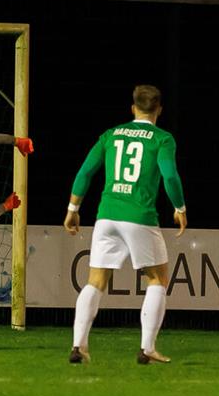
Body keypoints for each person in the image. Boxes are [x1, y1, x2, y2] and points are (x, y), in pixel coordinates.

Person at [63, 84, 187, 365]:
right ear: (159, 110)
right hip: (139, 216)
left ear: (133, 108)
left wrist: (73, 209)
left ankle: (78, 346)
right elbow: (170, 176)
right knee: (157, 279)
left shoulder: (111, 134)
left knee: (95, 281)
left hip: (106, 215)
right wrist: (180, 208)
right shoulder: (162, 139)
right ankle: (147, 349)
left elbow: (85, 171)